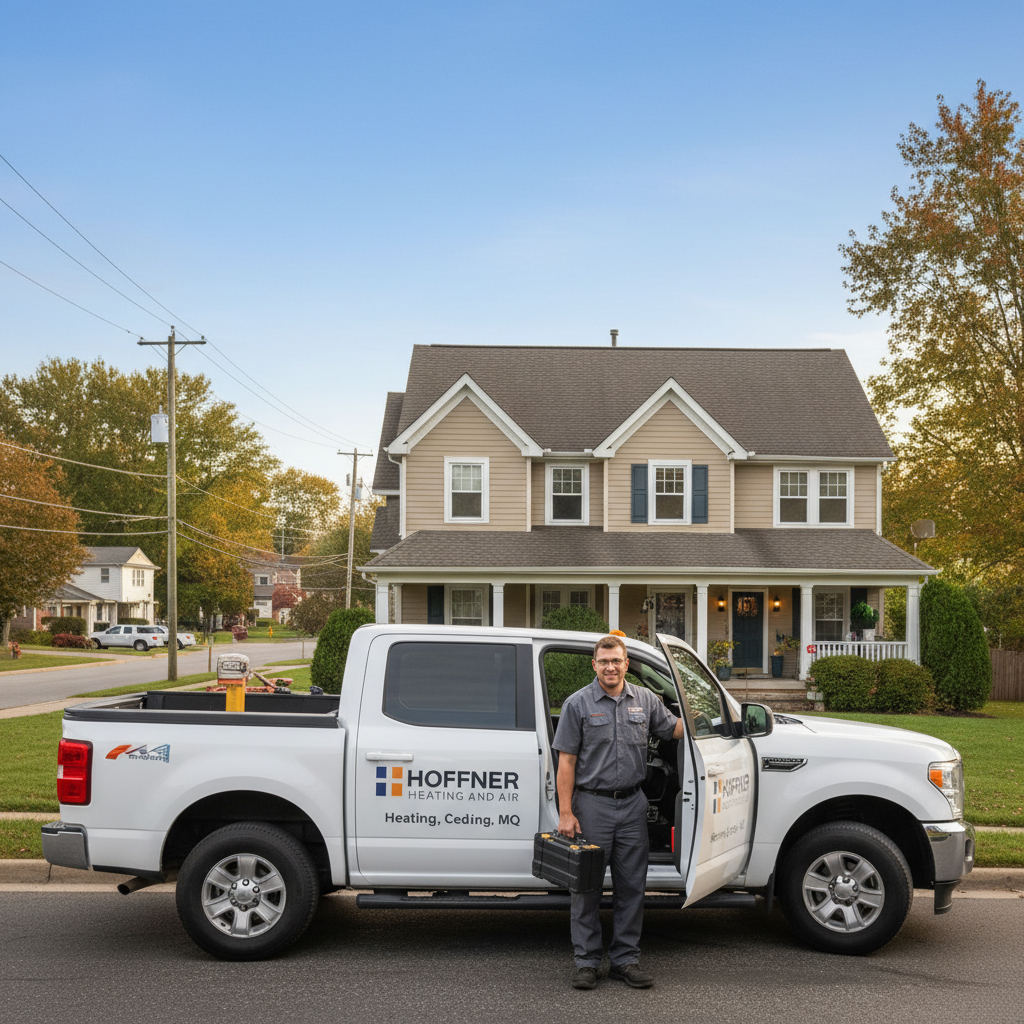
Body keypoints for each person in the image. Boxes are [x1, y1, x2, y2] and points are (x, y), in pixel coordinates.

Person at [552, 632, 686, 990]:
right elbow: (566, 763)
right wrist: (566, 813)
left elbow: (672, 728)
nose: (610, 667)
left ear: (627, 664)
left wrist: (703, 717)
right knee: (587, 889)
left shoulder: (644, 699)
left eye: (617, 661)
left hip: (632, 805)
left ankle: (625, 960)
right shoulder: (577, 704)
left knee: (632, 887)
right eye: (604, 661)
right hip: (591, 805)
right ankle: (586, 962)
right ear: (594, 665)